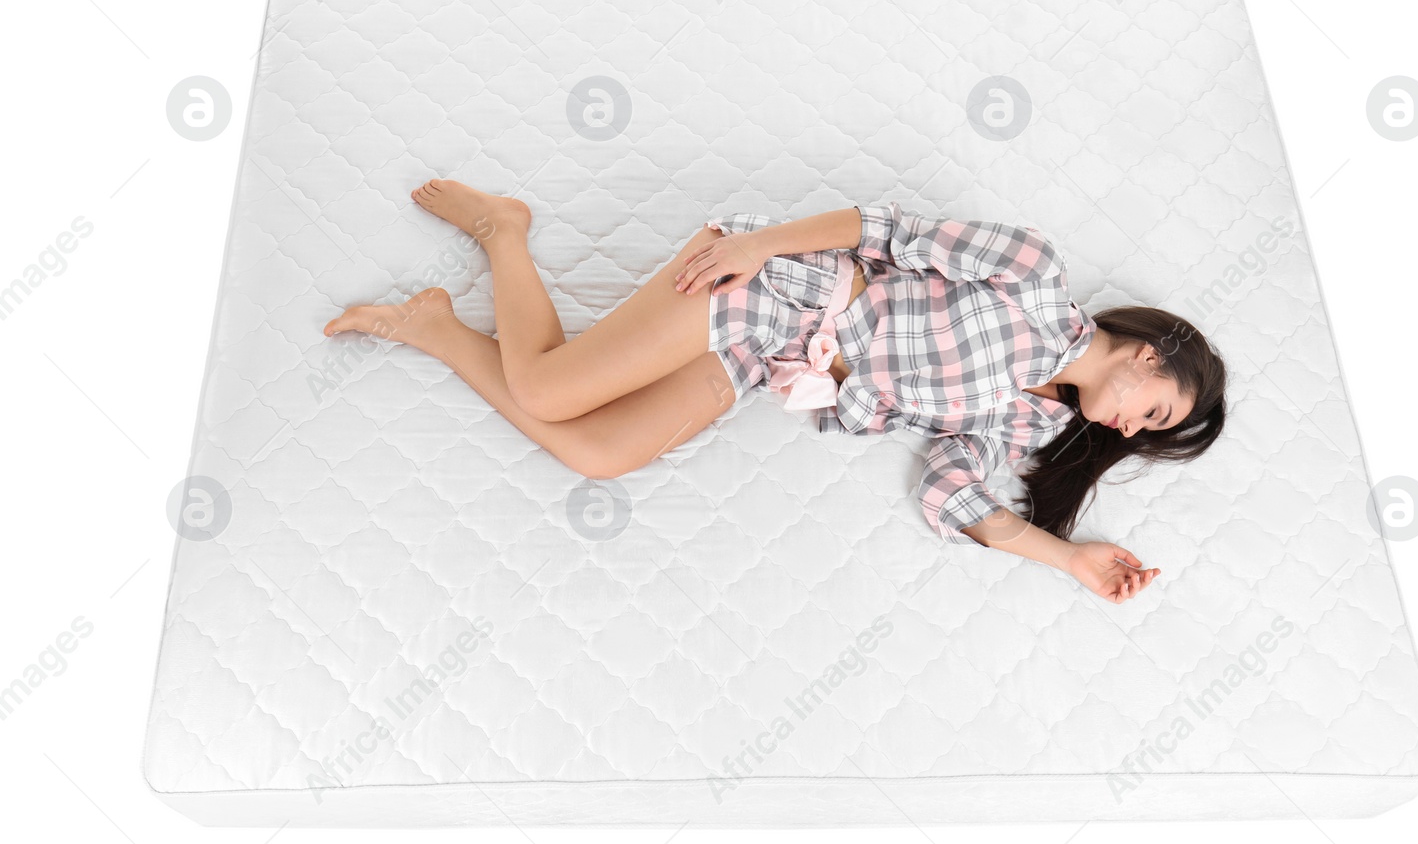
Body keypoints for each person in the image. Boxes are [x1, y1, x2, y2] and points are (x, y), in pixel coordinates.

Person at [325, 181, 1227, 602]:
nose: (1128, 427)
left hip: (771, 362)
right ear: (1150, 355)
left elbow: (952, 496)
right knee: (549, 389)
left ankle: (438, 328)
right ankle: (502, 230)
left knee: (599, 452)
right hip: (778, 283)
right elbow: (890, 228)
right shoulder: (1035, 274)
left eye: (1146, 434)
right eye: (1152, 412)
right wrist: (760, 247)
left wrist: (1070, 559)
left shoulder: (1023, 421)